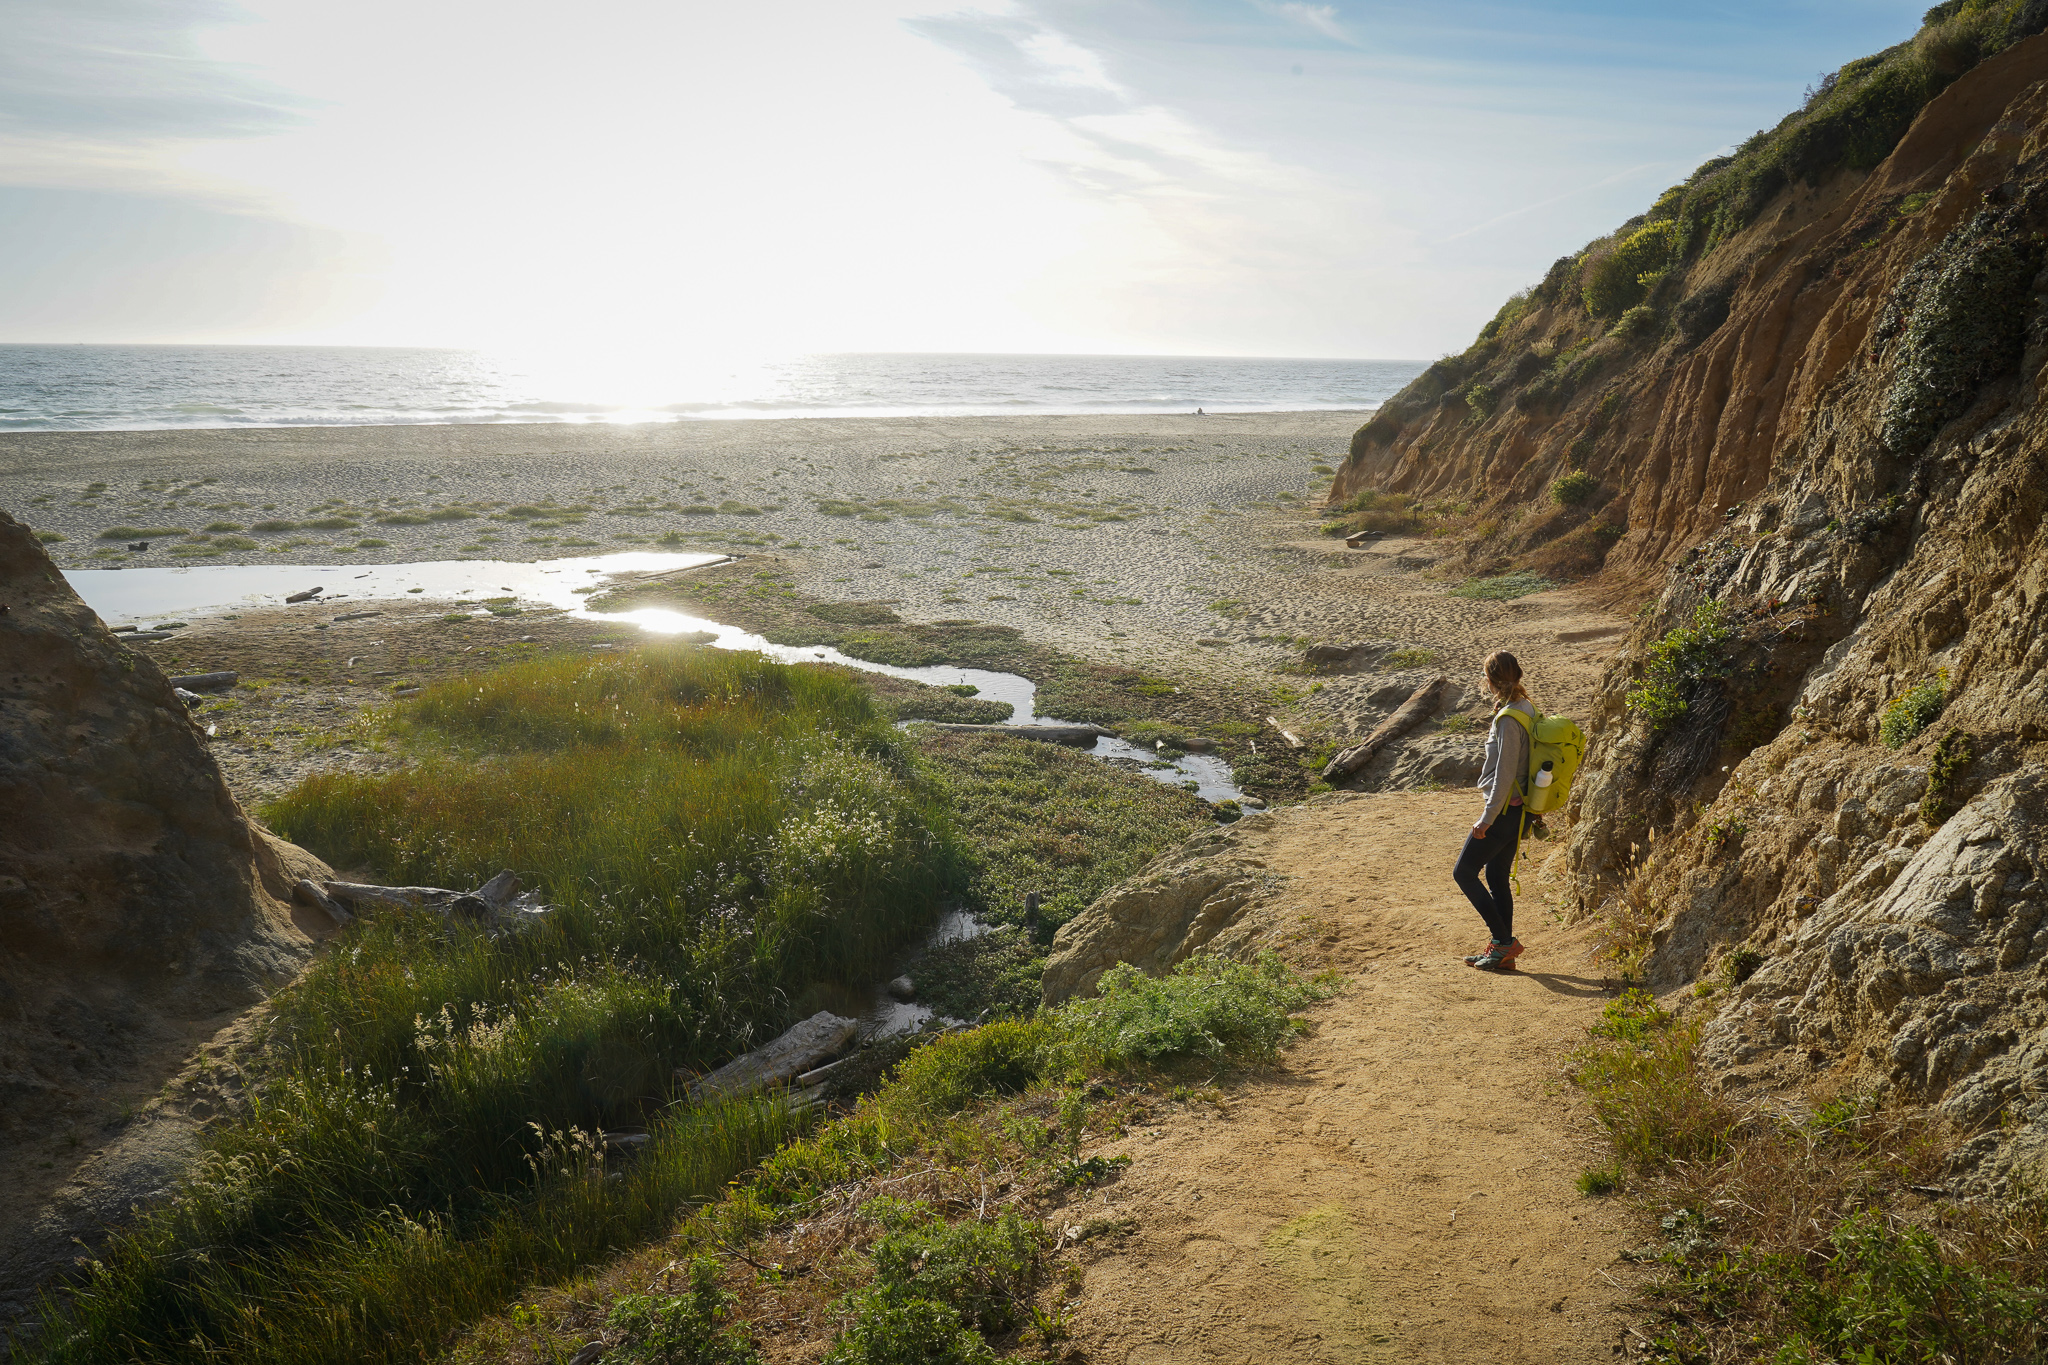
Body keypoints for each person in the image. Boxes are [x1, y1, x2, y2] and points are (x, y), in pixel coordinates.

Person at [1456, 650, 1534, 972]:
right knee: (1495, 874)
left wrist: (1486, 819)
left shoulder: (1508, 719)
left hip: (1505, 812)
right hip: (1522, 810)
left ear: (1490, 681)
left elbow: (1504, 775)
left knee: (1463, 872)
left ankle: (1504, 942)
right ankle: (1503, 951)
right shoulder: (1526, 708)